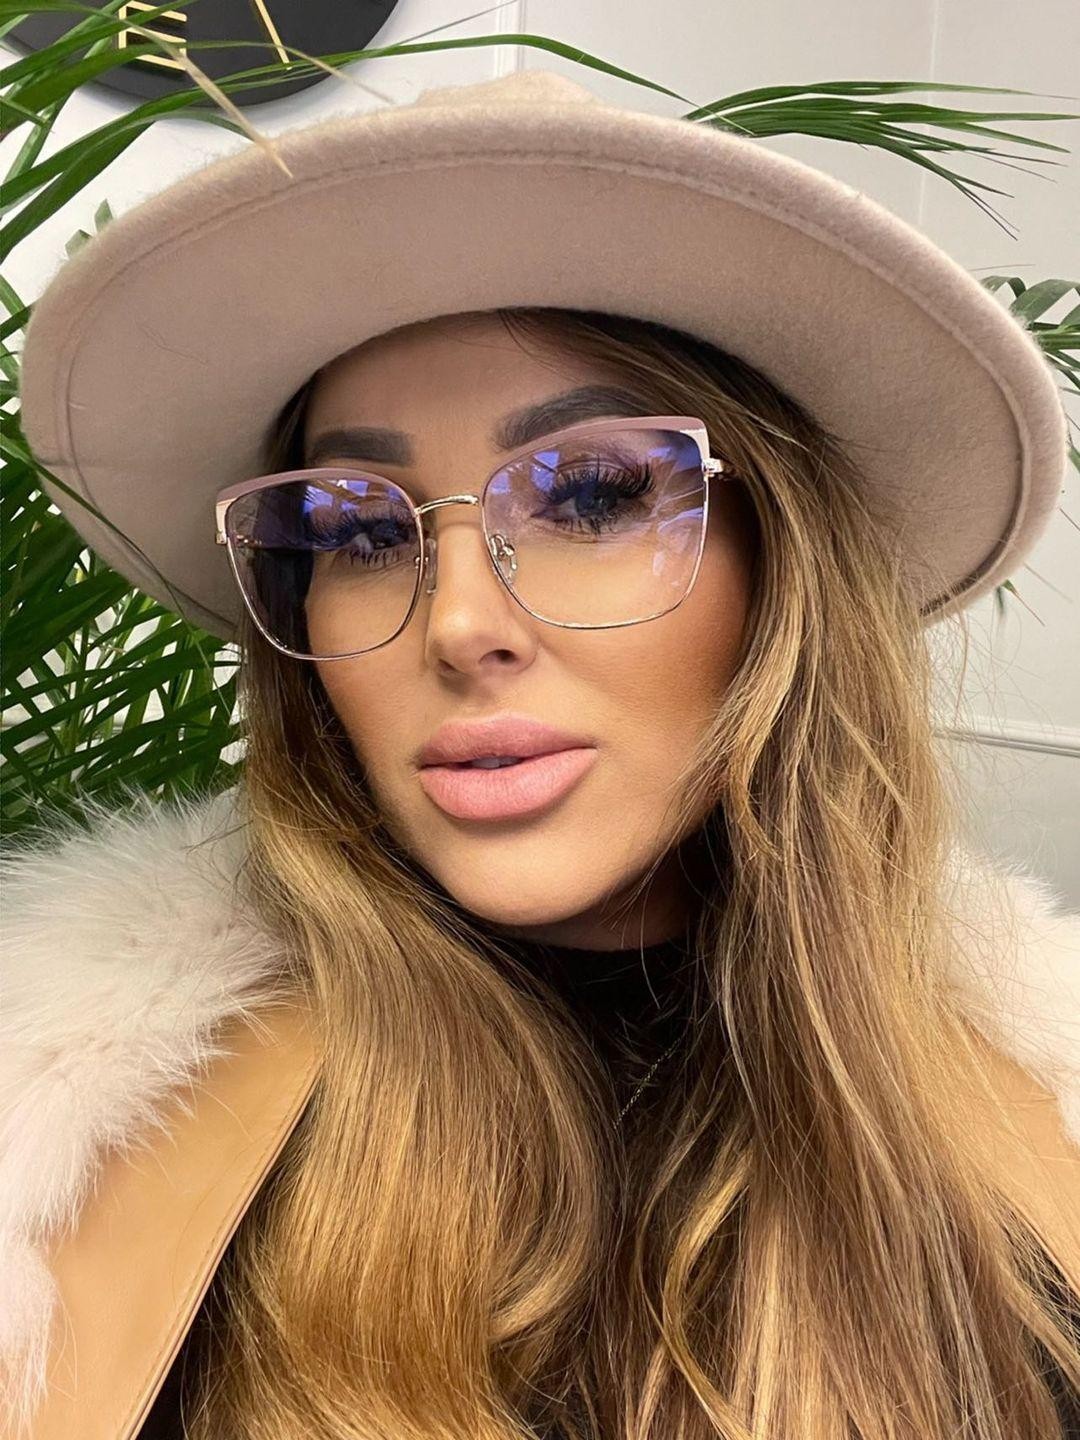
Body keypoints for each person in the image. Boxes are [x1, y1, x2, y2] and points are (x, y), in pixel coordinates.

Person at [4, 69, 1079, 1440]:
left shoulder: (1033, 1156)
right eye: (357, 529)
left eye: (591, 494)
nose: (459, 625)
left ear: (783, 569)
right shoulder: (67, 1171)